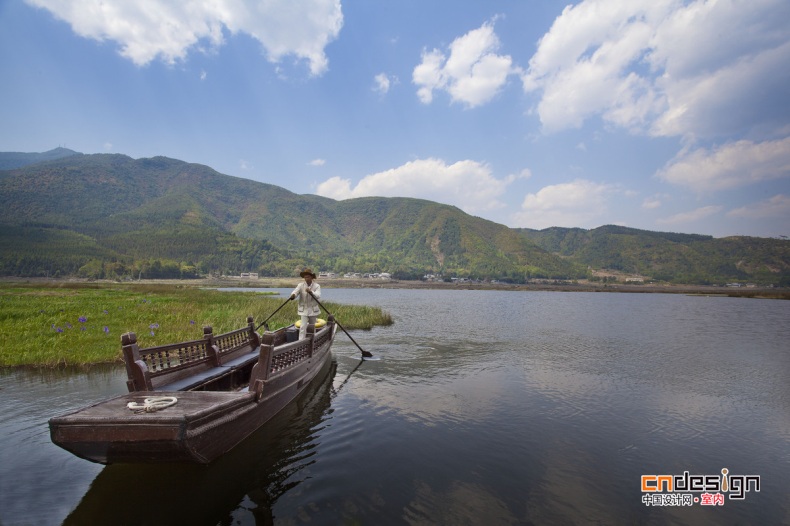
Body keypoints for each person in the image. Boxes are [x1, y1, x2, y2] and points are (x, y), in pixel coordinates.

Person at [289, 268, 321, 340]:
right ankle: (301, 341)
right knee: (303, 326)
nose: (306, 278)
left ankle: (313, 340)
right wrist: (293, 295)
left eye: (308, 277)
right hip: (304, 310)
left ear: (312, 277)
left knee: (312, 327)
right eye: (305, 277)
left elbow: (318, 295)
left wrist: (311, 292)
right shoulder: (301, 285)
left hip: (313, 310)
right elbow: (295, 292)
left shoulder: (317, 286)